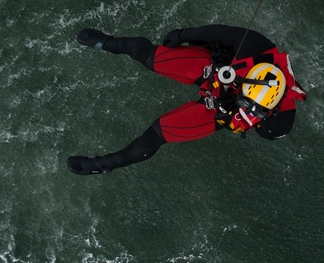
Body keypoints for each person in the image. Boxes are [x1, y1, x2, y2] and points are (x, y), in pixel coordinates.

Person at [66, 24, 306, 175]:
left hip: (223, 111)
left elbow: (265, 131)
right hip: (219, 69)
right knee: (152, 56)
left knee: (157, 135)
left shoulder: (281, 120)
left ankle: (103, 165)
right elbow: (224, 33)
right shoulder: (255, 49)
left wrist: (233, 108)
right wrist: (184, 35)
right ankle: (107, 42)